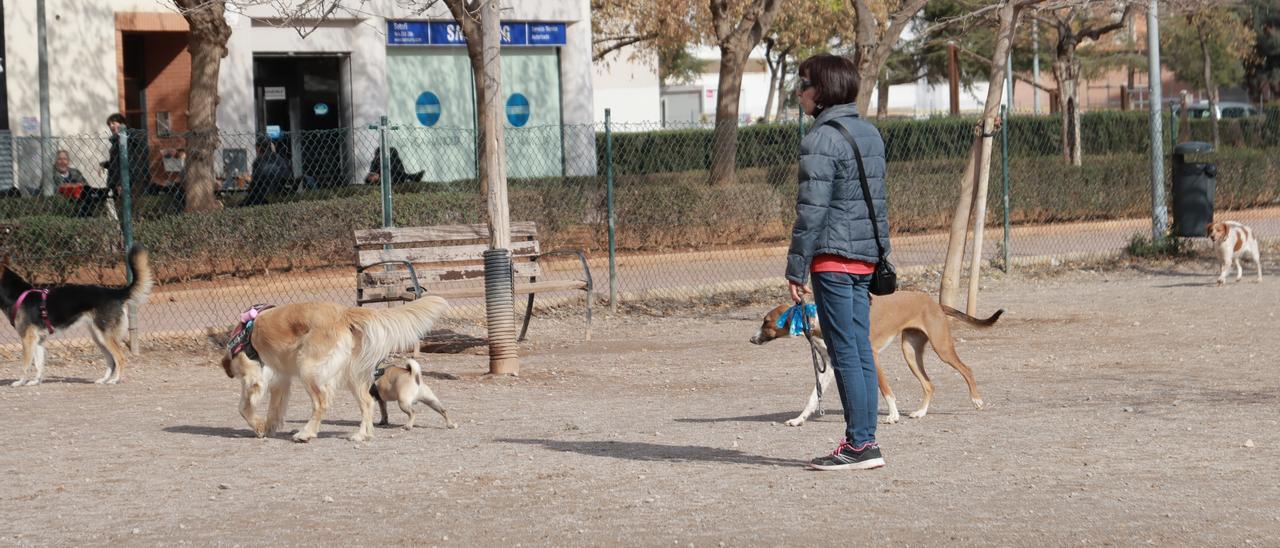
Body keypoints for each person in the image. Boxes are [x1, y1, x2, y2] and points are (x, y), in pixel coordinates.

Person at [785, 53, 892, 472]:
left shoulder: (820, 139)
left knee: (844, 350)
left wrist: (796, 268)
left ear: (823, 90)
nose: (799, 91)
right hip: (865, 259)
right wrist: (881, 252)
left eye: (804, 83)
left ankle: (860, 445)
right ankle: (866, 442)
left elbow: (811, 211)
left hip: (832, 259)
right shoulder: (869, 133)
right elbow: (878, 205)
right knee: (859, 349)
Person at [242, 136, 291, 206]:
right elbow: (287, 176)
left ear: (258, 148)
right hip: (280, 194)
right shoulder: (279, 159)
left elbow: (254, 183)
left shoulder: (258, 161)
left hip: (262, 197)